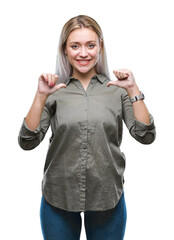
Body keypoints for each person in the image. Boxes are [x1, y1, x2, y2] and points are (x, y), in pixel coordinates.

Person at [18, 15, 156, 240]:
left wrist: (132, 89)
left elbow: (145, 135)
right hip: (58, 195)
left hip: (107, 195)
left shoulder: (117, 90)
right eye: (75, 46)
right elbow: (27, 141)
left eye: (90, 45)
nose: (83, 53)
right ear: (65, 49)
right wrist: (41, 95)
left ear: (100, 47)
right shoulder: (54, 91)